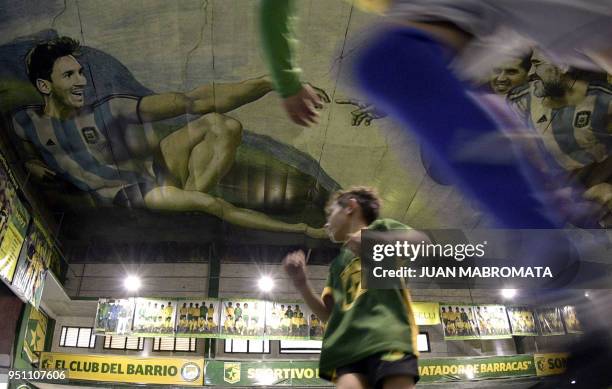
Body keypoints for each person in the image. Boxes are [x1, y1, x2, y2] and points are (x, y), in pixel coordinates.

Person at [259, 0, 612, 231]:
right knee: (389, 64)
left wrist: (287, 81)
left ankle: (547, 229)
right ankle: (547, 238)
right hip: (445, 9)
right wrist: (286, 80)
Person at [12, 36, 326, 238]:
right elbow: (27, 150)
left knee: (222, 124)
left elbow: (195, 101)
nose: (81, 81)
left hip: (151, 174)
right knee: (212, 205)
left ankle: (191, 195)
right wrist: (31, 163)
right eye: (69, 75)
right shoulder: (23, 121)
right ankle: (197, 202)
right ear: (44, 85)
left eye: (81, 72)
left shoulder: (107, 111)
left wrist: (272, 83)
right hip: (129, 194)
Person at [282, 187, 428, 389]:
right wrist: (301, 283)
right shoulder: (337, 265)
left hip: (388, 337)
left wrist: (374, 242)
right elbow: (329, 316)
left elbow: (423, 243)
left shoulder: (382, 228)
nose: (326, 223)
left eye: (330, 213)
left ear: (350, 207)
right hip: (349, 348)